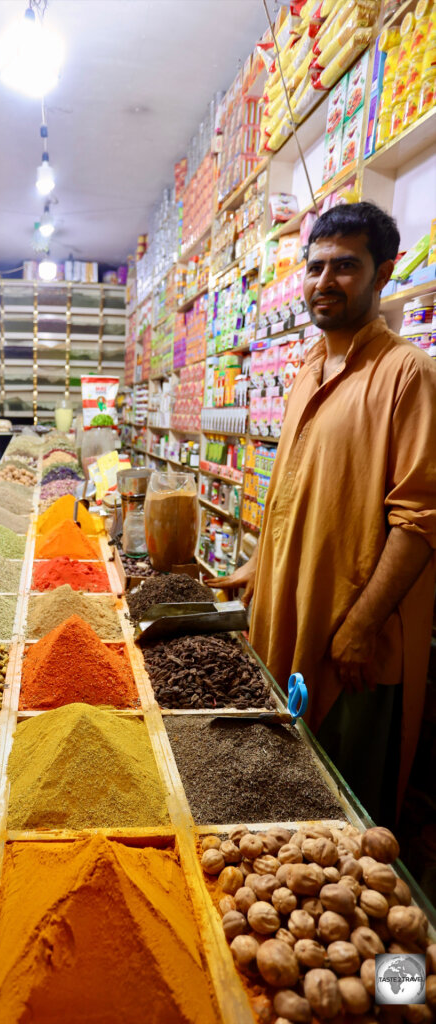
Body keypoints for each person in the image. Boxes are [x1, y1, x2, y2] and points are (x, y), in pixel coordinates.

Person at [218, 202, 436, 824]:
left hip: (356, 647)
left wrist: (362, 624)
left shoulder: (408, 375)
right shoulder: (307, 370)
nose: (324, 282)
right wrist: (260, 562)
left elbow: (420, 520)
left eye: (346, 266)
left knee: (342, 806)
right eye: (315, 267)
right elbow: (291, 486)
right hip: (287, 615)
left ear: (383, 273)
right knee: (284, 782)